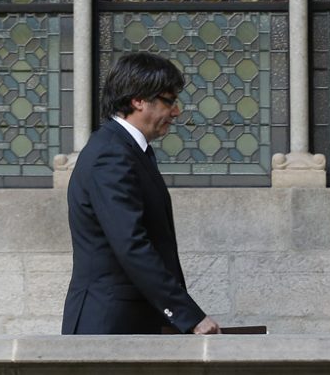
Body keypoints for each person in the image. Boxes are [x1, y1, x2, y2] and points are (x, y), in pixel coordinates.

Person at [61, 51, 221, 335]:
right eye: (169, 101)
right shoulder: (110, 155)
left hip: (129, 322)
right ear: (138, 100)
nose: (176, 111)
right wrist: (189, 316)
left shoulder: (129, 151)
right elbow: (131, 244)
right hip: (109, 324)